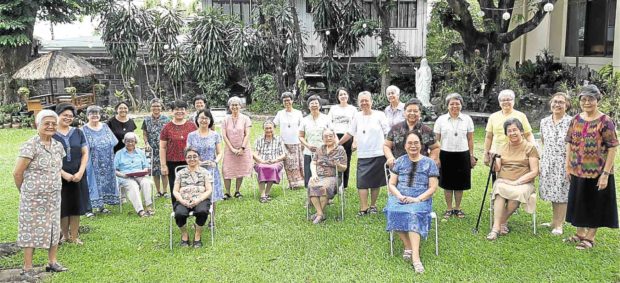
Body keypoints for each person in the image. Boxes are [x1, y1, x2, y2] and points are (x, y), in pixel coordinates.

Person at [13, 110, 68, 278]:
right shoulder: (31, 145)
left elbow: (58, 168)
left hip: (53, 196)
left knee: (53, 227)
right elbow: (17, 173)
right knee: (30, 229)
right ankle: (27, 268)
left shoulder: (58, 146)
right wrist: (25, 191)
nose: (50, 126)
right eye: (46, 123)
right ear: (38, 125)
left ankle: (52, 262)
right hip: (32, 197)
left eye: (53, 123)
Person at [564, 85, 618, 250]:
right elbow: (570, 142)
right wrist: (567, 165)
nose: (587, 102)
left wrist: (605, 174)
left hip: (597, 171)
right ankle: (580, 233)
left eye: (590, 99)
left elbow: (612, 147)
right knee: (579, 201)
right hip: (577, 169)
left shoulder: (605, 121)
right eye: (583, 99)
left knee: (595, 203)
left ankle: (590, 237)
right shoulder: (575, 119)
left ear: (597, 101)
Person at [385, 131, 439, 273]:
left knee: (412, 213)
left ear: (421, 145)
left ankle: (416, 258)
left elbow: (433, 187)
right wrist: (399, 195)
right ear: (405, 145)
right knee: (392, 211)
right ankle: (407, 245)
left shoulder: (429, 163)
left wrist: (417, 199)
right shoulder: (400, 161)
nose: (413, 146)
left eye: (416, 143)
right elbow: (391, 184)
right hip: (400, 197)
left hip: (420, 199)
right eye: (410, 143)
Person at [487, 118, 539, 240]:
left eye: (515, 130)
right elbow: (497, 168)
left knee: (517, 193)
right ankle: (497, 227)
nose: (512, 133)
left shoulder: (530, 148)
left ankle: (497, 225)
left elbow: (535, 171)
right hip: (504, 180)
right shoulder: (502, 147)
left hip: (524, 183)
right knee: (500, 190)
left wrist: (517, 182)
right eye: (509, 131)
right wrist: (492, 159)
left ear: (521, 131)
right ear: (506, 134)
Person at [339, 91, 390, 216]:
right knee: (361, 182)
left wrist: (389, 147)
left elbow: (388, 133)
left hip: (378, 153)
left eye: (366, 100)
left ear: (371, 101)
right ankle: (363, 208)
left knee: (375, 182)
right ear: (358, 103)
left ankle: (373, 205)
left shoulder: (380, 115)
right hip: (363, 154)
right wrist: (338, 144)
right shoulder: (357, 116)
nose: (364, 103)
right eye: (361, 101)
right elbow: (350, 132)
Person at [433, 93, 476, 219]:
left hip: (463, 154)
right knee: (447, 183)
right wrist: (436, 157)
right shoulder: (441, 120)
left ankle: (457, 208)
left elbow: (470, 139)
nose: (454, 106)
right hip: (445, 154)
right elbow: (436, 140)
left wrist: (471, 155)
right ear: (447, 106)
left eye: (457, 103)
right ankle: (448, 208)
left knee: (459, 183)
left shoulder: (467, 119)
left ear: (461, 105)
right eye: (451, 104)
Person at [53, 103, 89, 244]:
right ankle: (64, 235)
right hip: (58, 175)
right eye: (65, 115)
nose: (68, 118)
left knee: (76, 205)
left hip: (77, 174)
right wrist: (63, 174)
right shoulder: (51, 133)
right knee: (63, 206)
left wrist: (81, 171)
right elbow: (49, 158)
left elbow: (85, 153)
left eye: (70, 116)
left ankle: (74, 236)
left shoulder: (78, 132)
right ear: (58, 115)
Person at [539, 92, 572, 235]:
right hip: (548, 161)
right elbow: (543, 141)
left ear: (567, 105)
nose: (557, 104)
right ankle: (554, 221)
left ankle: (559, 225)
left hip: (564, 162)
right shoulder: (544, 121)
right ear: (550, 103)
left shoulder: (572, 122)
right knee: (553, 191)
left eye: (561, 102)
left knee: (562, 193)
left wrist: (569, 165)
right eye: (555, 101)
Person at [173, 148, 213, 248]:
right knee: (179, 213)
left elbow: (208, 190)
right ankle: (184, 235)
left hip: (200, 199)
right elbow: (175, 191)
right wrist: (182, 201)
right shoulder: (180, 173)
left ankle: (197, 236)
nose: (192, 159)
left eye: (195, 156)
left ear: (198, 158)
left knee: (202, 211)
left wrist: (198, 200)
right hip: (183, 199)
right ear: (185, 159)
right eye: (189, 157)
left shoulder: (204, 172)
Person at [83, 105, 119, 214]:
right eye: (92, 114)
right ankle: (89, 209)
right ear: (87, 116)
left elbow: (114, 141)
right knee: (91, 183)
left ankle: (101, 206)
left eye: (97, 113)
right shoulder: (83, 129)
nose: (94, 116)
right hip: (92, 162)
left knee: (104, 183)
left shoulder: (105, 127)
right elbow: (82, 147)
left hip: (107, 161)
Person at [483, 89, 535, 166]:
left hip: (517, 152)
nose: (505, 102)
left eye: (508, 99)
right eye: (502, 100)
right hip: (498, 152)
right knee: (499, 175)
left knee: (516, 174)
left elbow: (528, 134)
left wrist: (533, 150)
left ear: (513, 101)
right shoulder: (493, 117)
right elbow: (488, 137)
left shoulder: (521, 116)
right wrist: (486, 154)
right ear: (499, 103)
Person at [160, 100, 197, 205]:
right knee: (175, 187)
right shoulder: (166, 127)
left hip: (190, 162)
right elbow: (162, 147)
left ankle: (191, 207)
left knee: (191, 186)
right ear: (171, 111)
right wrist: (163, 165)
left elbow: (196, 145)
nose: (179, 111)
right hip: (172, 162)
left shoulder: (192, 126)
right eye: (176, 109)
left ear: (186, 111)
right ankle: (178, 211)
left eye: (182, 109)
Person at [384, 98, 440, 167]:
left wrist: (430, 161)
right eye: (409, 111)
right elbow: (386, 145)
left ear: (420, 113)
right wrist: (390, 157)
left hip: (421, 169)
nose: (412, 113)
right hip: (399, 169)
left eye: (415, 111)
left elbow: (435, 147)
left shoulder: (427, 130)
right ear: (404, 112)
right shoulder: (395, 129)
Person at [187, 109, 224, 211]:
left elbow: (220, 153)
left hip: (211, 169)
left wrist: (215, 162)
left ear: (210, 120)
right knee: (196, 193)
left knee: (212, 196)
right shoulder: (191, 135)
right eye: (201, 118)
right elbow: (188, 153)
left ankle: (212, 220)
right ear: (197, 120)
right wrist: (198, 162)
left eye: (206, 118)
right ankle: (198, 217)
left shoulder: (215, 135)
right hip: (196, 169)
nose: (204, 120)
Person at [308, 128, 347, 224]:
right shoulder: (320, 149)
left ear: (334, 138)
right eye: (325, 136)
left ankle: (318, 215)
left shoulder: (340, 149)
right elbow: (313, 163)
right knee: (312, 185)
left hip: (333, 177)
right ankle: (320, 214)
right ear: (322, 138)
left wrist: (338, 165)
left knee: (323, 188)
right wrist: (314, 174)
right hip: (319, 176)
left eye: (330, 136)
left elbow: (344, 168)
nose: (328, 138)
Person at [114, 132, 154, 217]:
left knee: (146, 182)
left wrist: (143, 171)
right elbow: (114, 170)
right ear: (124, 142)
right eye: (127, 141)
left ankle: (148, 207)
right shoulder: (119, 153)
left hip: (140, 175)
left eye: (132, 141)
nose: (130, 143)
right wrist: (123, 175)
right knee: (133, 186)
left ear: (135, 142)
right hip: (125, 177)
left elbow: (146, 167)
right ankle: (140, 211)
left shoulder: (140, 152)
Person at [222, 96, 253, 199]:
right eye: (232, 105)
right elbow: (224, 135)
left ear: (240, 106)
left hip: (242, 149)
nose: (234, 107)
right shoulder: (225, 119)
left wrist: (242, 148)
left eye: (236, 105)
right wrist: (232, 149)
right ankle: (227, 192)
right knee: (227, 170)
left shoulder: (246, 118)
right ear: (229, 106)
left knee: (240, 169)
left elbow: (247, 134)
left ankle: (237, 191)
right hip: (229, 149)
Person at [299, 95, 333, 188]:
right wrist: (308, 145)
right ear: (308, 106)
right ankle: (310, 198)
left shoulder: (326, 118)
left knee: (324, 174)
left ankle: (326, 196)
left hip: (324, 151)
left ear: (320, 105)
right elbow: (301, 136)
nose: (314, 105)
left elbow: (332, 135)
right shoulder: (304, 120)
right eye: (312, 103)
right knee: (309, 175)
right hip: (309, 152)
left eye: (316, 103)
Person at [273, 92, 305, 189]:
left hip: (296, 142)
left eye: (288, 100)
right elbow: (273, 124)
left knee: (297, 163)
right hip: (284, 143)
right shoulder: (280, 113)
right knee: (288, 164)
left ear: (292, 101)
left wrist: (303, 141)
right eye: (284, 100)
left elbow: (303, 128)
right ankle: (291, 183)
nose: (287, 102)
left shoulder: (298, 113)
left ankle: (300, 182)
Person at [327, 87, 357, 188]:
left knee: (346, 160)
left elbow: (356, 126)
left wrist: (354, 141)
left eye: (345, 94)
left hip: (348, 136)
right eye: (341, 94)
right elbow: (329, 123)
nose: (343, 96)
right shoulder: (333, 108)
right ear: (338, 97)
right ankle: (334, 182)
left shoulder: (353, 109)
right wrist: (334, 137)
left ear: (348, 95)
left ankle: (344, 184)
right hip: (334, 136)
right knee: (334, 159)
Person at [141, 98, 171, 197]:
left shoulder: (166, 119)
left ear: (161, 107)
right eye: (154, 106)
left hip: (164, 148)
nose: (156, 108)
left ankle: (165, 191)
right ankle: (158, 191)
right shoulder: (146, 120)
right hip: (152, 148)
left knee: (164, 170)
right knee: (155, 171)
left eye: (158, 106)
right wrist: (146, 143)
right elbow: (144, 134)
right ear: (151, 108)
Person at [253, 120, 287, 203]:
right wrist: (262, 161)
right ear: (263, 129)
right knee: (261, 167)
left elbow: (283, 154)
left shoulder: (279, 139)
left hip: (275, 162)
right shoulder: (259, 140)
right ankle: (262, 195)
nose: (268, 130)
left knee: (273, 168)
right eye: (266, 128)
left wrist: (275, 160)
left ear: (274, 128)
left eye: (270, 128)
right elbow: (255, 154)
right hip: (261, 162)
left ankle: (266, 193)